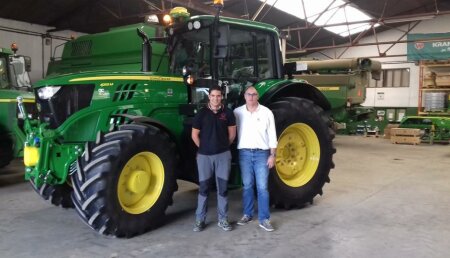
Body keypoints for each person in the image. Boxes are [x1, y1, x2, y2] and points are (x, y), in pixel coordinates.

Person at [191, 85, 236, 232]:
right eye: (213, 96)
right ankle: (200, 220)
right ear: (209, 97)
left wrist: (221, 146)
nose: (216, 98)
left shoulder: (228, 113)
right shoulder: (201, 114)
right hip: (204, 157)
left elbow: (232, 135)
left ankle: (223, 219)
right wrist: (204, 148)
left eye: (218, 96)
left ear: (221, 97)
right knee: (203, 188)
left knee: (222, 189)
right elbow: (194, 135)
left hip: (223, 156)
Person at [233, 86, 277, 232]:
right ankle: (248, 214)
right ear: (244, 96)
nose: (251, 97)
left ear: (257, 96)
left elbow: (272, 135)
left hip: (262, 154)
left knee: (262, 187)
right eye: (248, 94)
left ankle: (264, 219)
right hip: (244, 153)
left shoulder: (266, 112)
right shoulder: (237, 112)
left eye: (254, 94)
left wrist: (272, 155)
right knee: (247, 185)